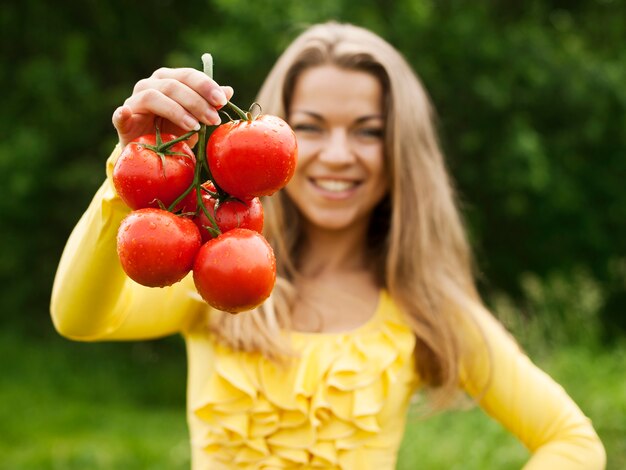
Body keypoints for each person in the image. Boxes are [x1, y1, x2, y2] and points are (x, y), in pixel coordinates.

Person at [50, 21, 605, 469]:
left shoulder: (424, 307)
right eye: (312, 127)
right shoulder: (217, 276)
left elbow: (573, 442)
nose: (338, 154)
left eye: (367, 130)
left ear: (401, 151)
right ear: (267, 135)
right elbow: (79, 318)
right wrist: (130, 175)